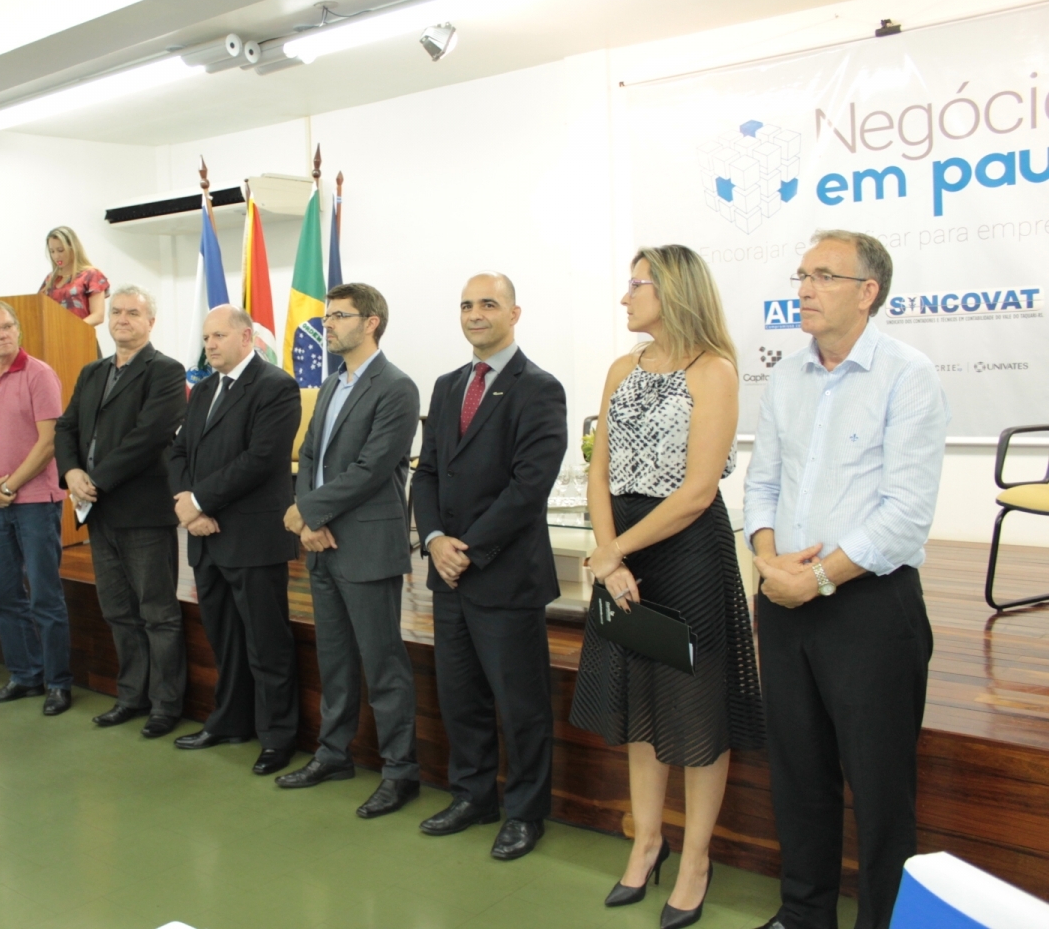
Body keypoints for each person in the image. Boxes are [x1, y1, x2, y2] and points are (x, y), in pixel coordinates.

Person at [744, 231, 948, 929]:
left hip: (869, 607)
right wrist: (769, 560)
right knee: (799, 777)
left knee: (881, 790)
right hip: (784, 599)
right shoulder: (785, 377)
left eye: (823, 276)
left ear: (867, 292)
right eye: (802, 275)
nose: (804, 289)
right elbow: (762, 484)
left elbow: (905, 514)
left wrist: (818, 580)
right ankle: (805, 914)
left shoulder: (908, 375)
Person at [569, 246, 765, 929]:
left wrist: (614, 552)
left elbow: (698, 491)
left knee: (695, 709)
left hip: (685, 554)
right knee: (639, 704)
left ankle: (696, 861)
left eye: (636, 285)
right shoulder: (621, 369)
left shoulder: (714, 371)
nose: (625, 297)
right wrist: (609, 556)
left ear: (673, 291)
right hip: (621, 552)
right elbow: (598, 473)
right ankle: (647, 842)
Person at [411, 271, 567, 860]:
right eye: (466, 305)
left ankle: (525, 813)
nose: (475, 314)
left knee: (520, 705)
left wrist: (467, 549)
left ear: (514, 313)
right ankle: (473, 796)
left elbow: (529, 488)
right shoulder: (448, 385)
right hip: (448, 574)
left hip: (503, 575)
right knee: (461, 697)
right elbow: (427, 472)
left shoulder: (539, 388)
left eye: (488, 304)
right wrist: (433, 540)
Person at [277, 283, 423, 819]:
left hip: (365, 544)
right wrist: (309, 518)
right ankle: (333, 754)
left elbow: (372, 468)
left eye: (339, 316)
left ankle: (400, 772)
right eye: (327, 316)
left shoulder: (397, 387)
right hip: (322, 543)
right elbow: (308, 454)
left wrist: (308, 511)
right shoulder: (331, 383)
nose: (328, 325)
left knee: (383, 665)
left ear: (371, 322)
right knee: (334, 659)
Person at [168, 305, 302, 774]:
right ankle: (230, 721)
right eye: (206, 337)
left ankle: (278, 736)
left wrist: (198, 501)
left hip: (252, 538)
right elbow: (178, 451)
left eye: (219, 336)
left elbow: (261, 459)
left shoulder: (276, 386)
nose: (209, 344)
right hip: (205, 537)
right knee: (224, 641)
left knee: (267, 644)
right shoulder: (204, 389)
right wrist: (186, 506)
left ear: (246, 338)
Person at [54, 286, 187, 737]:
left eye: (133, 312)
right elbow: (66, 427)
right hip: (99, 512)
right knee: (117, 611)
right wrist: (71, 472)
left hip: (142, 511)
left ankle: (166, 705)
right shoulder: (92, 371)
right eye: (116, 312)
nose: (123, 319)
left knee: (158, 613)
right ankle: (131, 696)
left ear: (151, 322)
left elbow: (149, 436)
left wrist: (95, 480)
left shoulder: (166, 371)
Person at [0, 300, 73, 716]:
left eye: (8, 326)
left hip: (35, 503)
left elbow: (49, 442)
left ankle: (58, 683)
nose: (3, 335)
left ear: (18, 330)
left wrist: (8, 485)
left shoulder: (39, 374)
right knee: (5, 595)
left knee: (44, 596)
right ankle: (25, 676)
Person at [40, 226, 108, 327]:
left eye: (60, 250)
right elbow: (38, 309)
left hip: (80, 335)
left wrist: (71, 329)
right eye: (52, 251)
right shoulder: (50, 279)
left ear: (73, 248)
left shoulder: (91, 275)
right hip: (54, 336)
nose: (56, 256)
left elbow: (98, 316)